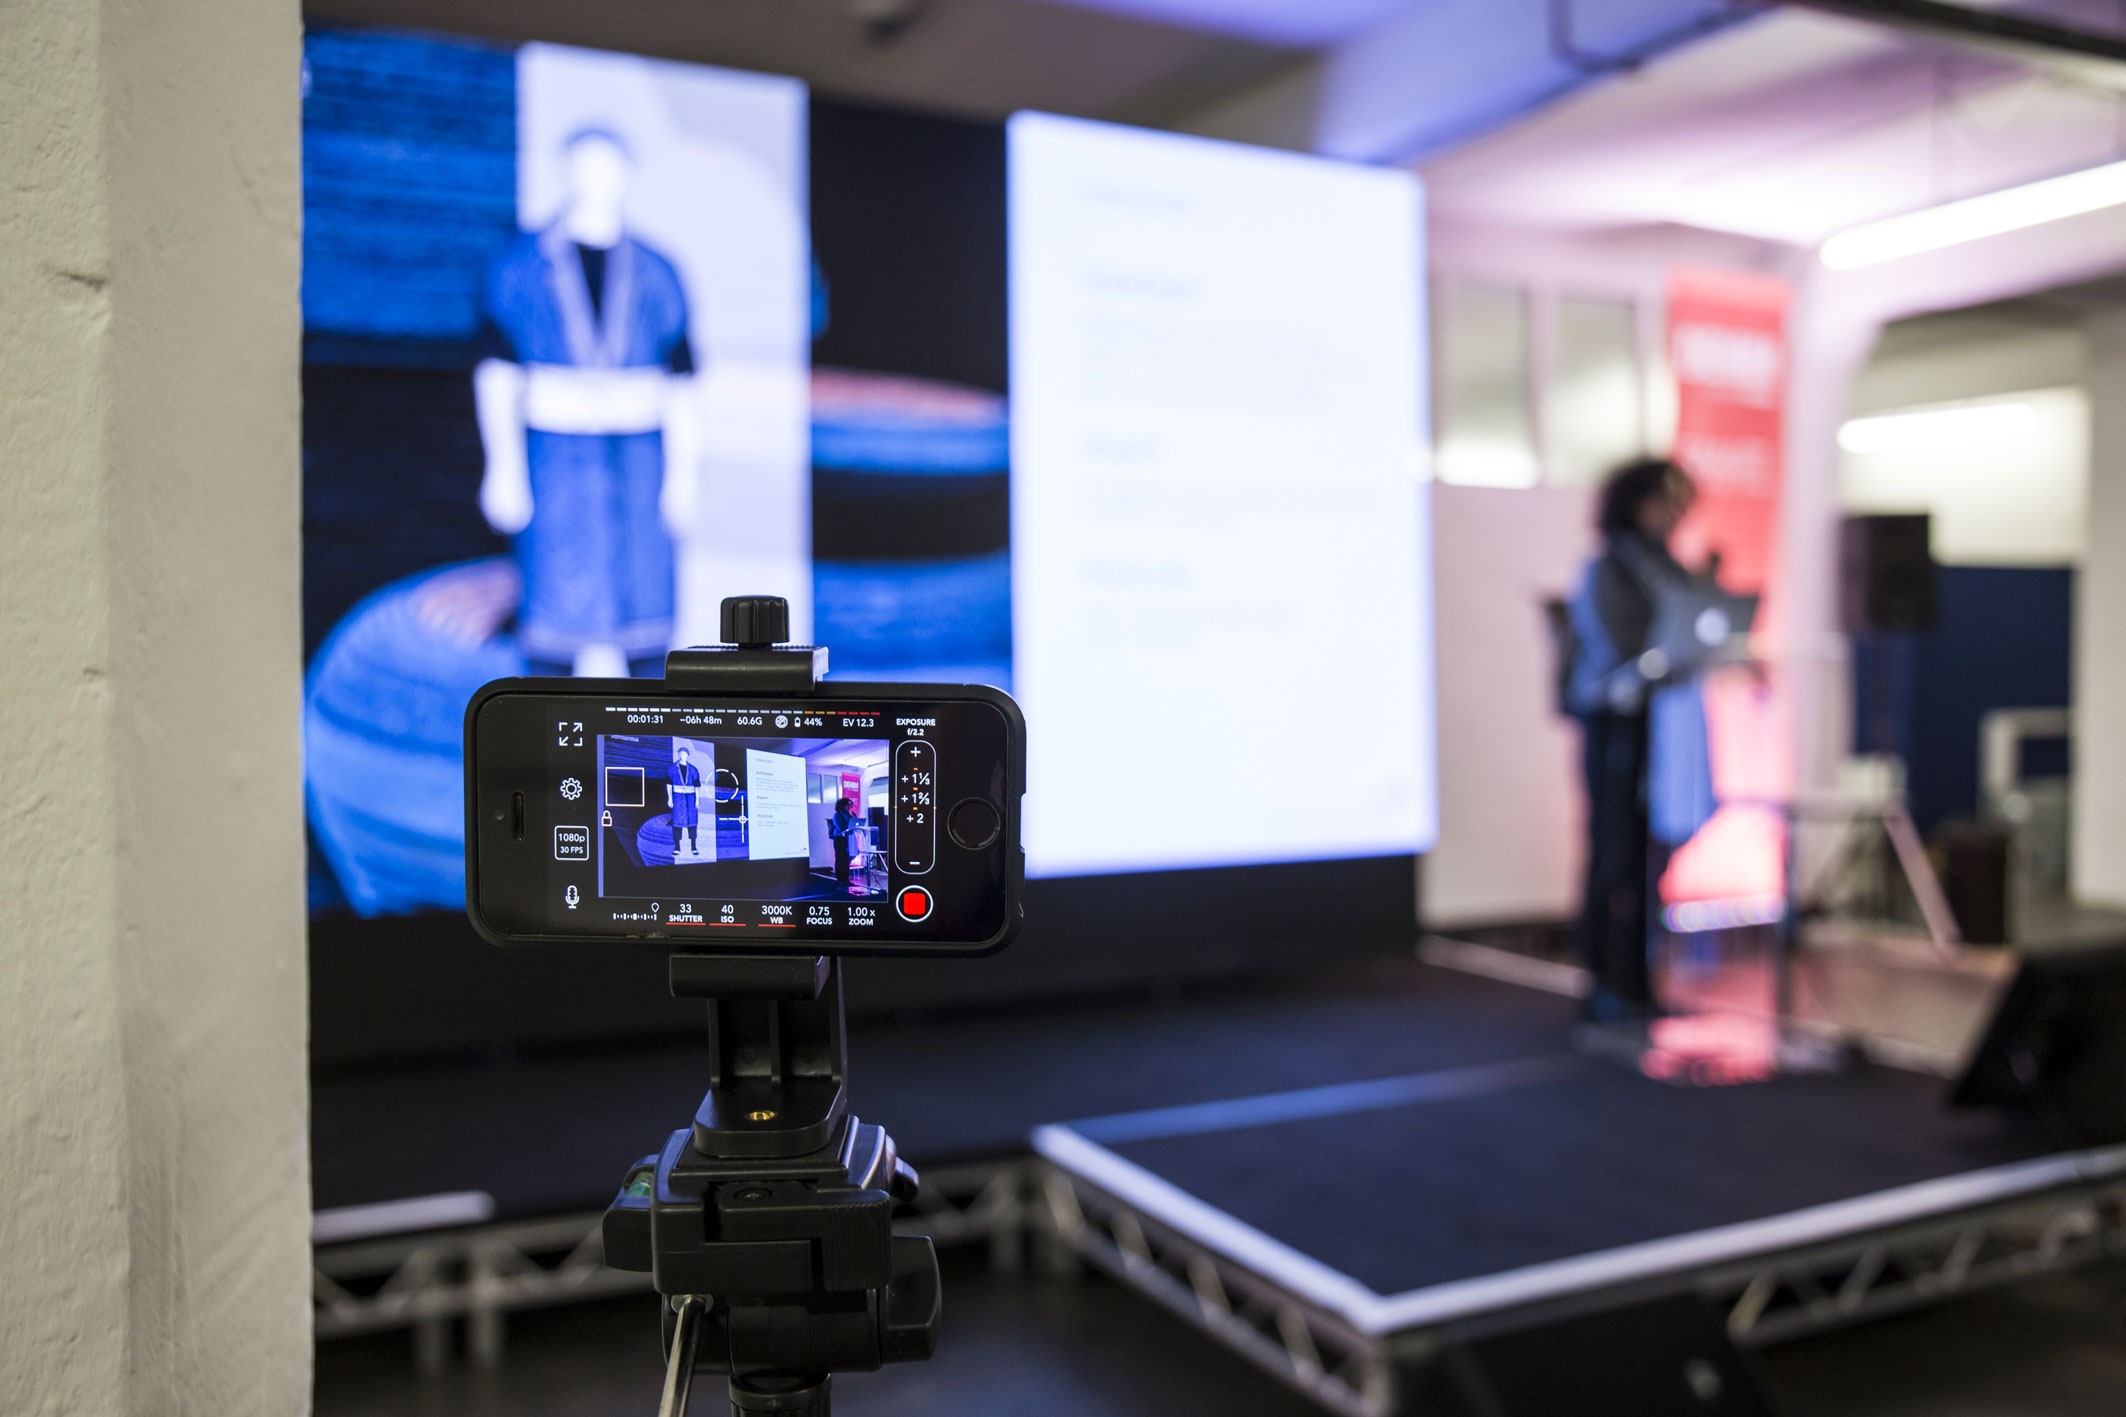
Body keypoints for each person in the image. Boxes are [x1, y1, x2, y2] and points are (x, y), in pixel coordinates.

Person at [472, 126, 702, 680]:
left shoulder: (658, 271)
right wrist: (503, 468)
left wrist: (685, 475)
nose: (598, 180)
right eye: (585, 166)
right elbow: (498, 372)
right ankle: (543, 735)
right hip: (556, 460)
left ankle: (655, 736)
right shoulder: (520, 267)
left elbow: (681, 381)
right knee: (552, 617)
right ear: (565, 172)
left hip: (639, 463)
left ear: (628, 175)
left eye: (608, 167)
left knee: (647, 620)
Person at [1564, 458, 1719, 1024]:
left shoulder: (1668, 567)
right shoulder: (1608, 567)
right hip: (1618, 723)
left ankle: (1638, 979)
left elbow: (1690, 635)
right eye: (1662, 500)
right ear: (1634, 502)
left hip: (1666, 726)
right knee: (1613, 854)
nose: (1672, 512)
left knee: (1651, 859)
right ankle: (1603, 981)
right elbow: (1618, 649)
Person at [667, 747, 702, 860]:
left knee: (692, 822)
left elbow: (697, 786)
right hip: (678, 798)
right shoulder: (672, 768)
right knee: (677, 822)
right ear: (678, 754)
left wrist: (697, 800)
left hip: (691, 799)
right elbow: (669, 784)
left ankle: (693, 847)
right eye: (681, 753)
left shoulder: (693, 769)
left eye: (685, 753)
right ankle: (677, 847)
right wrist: (670, 799)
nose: (683, 755)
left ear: (688, 755)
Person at [828, 796, 861, 892]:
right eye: (848, 805)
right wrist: (849, 825)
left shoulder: (848, 815)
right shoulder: (837, 815)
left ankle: (846, 879)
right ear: (843, 805)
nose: (849, 807)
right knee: (840, 859)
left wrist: (855, 819)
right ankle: (839, 879)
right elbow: (840, 827)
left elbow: (853, 825)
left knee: (846, 859)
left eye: (850, 805)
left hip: (847, 839)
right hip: (839, 839)